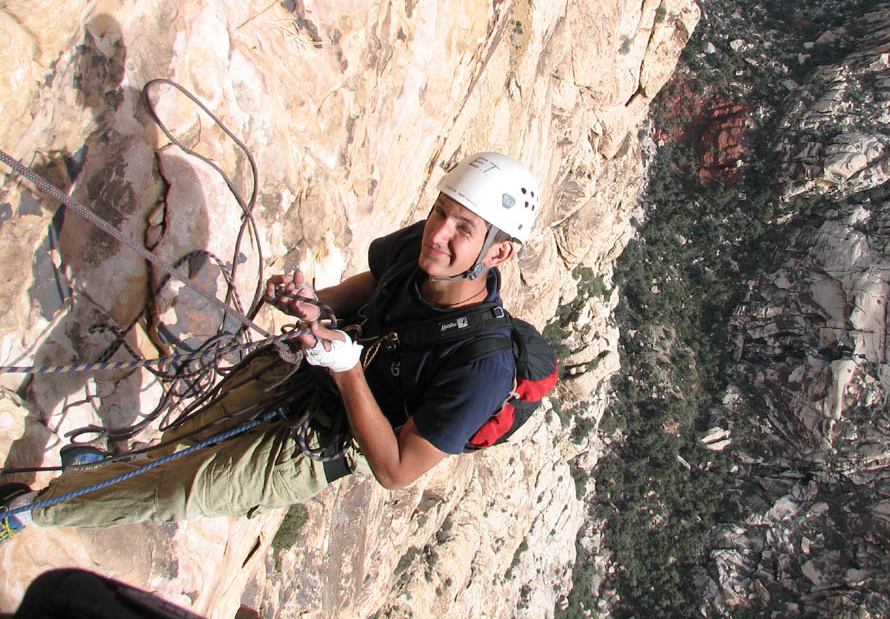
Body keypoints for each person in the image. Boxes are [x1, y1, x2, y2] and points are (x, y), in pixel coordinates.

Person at [0, 151, 540, 539]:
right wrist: (313, 304)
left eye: (463, 228)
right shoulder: (423, 246)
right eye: (441, 211)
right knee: (189, 436)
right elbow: (373, 285)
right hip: (307, 372)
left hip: (315, 447)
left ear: (498, 254)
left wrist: (348, 368)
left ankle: (23, 514)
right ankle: (109, 476)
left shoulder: (481, 367)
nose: (439, 232)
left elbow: (396, 470)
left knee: (176, 492)